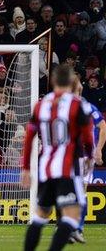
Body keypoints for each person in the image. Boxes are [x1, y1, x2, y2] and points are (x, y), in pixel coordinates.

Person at [21, 65, 94, 251]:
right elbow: (87, 137)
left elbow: (29, 139)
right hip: (68, 168)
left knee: (40, 216)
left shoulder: (40, 105)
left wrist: (26, 169)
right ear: (71, 82)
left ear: (53, 81)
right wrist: (90, 157)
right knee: (71, 216)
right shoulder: (77, 105)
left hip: (45, 169)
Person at [70, 77, 106, 243]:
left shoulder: (88, 108)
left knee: (79, 191)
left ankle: (78, 228)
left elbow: (103, 125)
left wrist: (98, 149)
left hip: (84, 155)